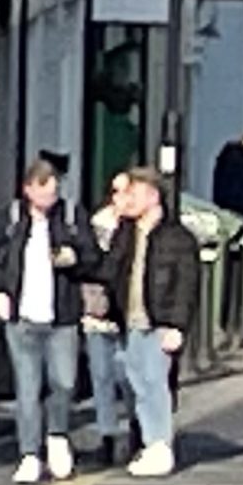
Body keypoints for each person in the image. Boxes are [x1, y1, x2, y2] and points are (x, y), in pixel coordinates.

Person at [92, 166, 201, 479]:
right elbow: (108, 270)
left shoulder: (176, 237)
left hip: (159, 320)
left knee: (155, 383)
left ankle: (159, 444)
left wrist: (177, 325)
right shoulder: (127, 233)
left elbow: (186, 285)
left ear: (153, 197)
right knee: (137, 382)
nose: (127, 200)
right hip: (132, 319)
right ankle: (151, 443)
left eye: (134, 194)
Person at [0, 158, 85, 484]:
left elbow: (93, 255)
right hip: (22, 317)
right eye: (44, 191)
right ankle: (29, 453)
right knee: (27, 389)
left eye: (54, 191)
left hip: (61, 318)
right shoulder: (12, 218)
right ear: (28, 189)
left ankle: (57, 435)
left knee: (64, 381)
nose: (50, 198)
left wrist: (74, 257)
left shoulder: (71, 216)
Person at [79, 171, 135, 467]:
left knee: (128, 376)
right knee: (101, 376)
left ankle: (137, 427)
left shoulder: (139, 226)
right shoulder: (97, 225)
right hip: (97, 312)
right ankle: (108, 435)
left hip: (128, 314)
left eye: (126, 191)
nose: (120, 198)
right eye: (115, 191)